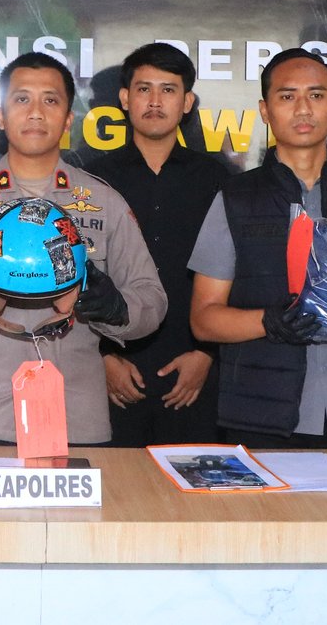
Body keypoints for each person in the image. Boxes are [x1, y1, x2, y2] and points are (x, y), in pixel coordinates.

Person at [0, 51, 167, 445]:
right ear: (1, 116)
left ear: (69, 120)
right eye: (22, 98)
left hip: (77, 416)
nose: (36, 112)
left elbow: (153, 300)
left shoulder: (104, 202)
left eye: (50, 100)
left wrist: (118, 309)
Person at [189, 48, 327, 448]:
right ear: (265, 110)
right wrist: (269, 322)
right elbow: (204, 320)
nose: (303, 108)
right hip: (261, 419)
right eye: (287, 96)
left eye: (316, 95)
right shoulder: (236, 198)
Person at [89, 43, 230, 446]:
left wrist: (207, 355)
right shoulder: (92, 181)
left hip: (195, 372)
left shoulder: (218, 180)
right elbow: (73, 271)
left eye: (168, 90)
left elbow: (238, 273)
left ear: (187, 103)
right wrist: (100, 357)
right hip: (109, 370)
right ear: (124, 99)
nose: (155, 101)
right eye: (143, 89)